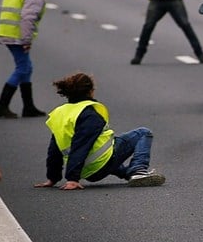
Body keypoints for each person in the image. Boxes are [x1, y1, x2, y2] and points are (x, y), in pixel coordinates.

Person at [34, 72, 166, 190]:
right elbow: (81, 145)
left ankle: (129, 173)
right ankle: (138, 171)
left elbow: (54, 149)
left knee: (109, 148)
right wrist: (72, 179)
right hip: (100, 163)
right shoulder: (89, 114)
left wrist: (52, 177)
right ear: (90, 91)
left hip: (87, 171)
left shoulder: (60, 113)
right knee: (143, 133)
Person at [0, 0, 49, 118]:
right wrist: (26, 40)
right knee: (23, 68)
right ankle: (1, 106)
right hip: (17, 35)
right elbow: (28, 17)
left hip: (7, 31)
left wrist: (3, 30)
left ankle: (28, 107)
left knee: (26, 67)